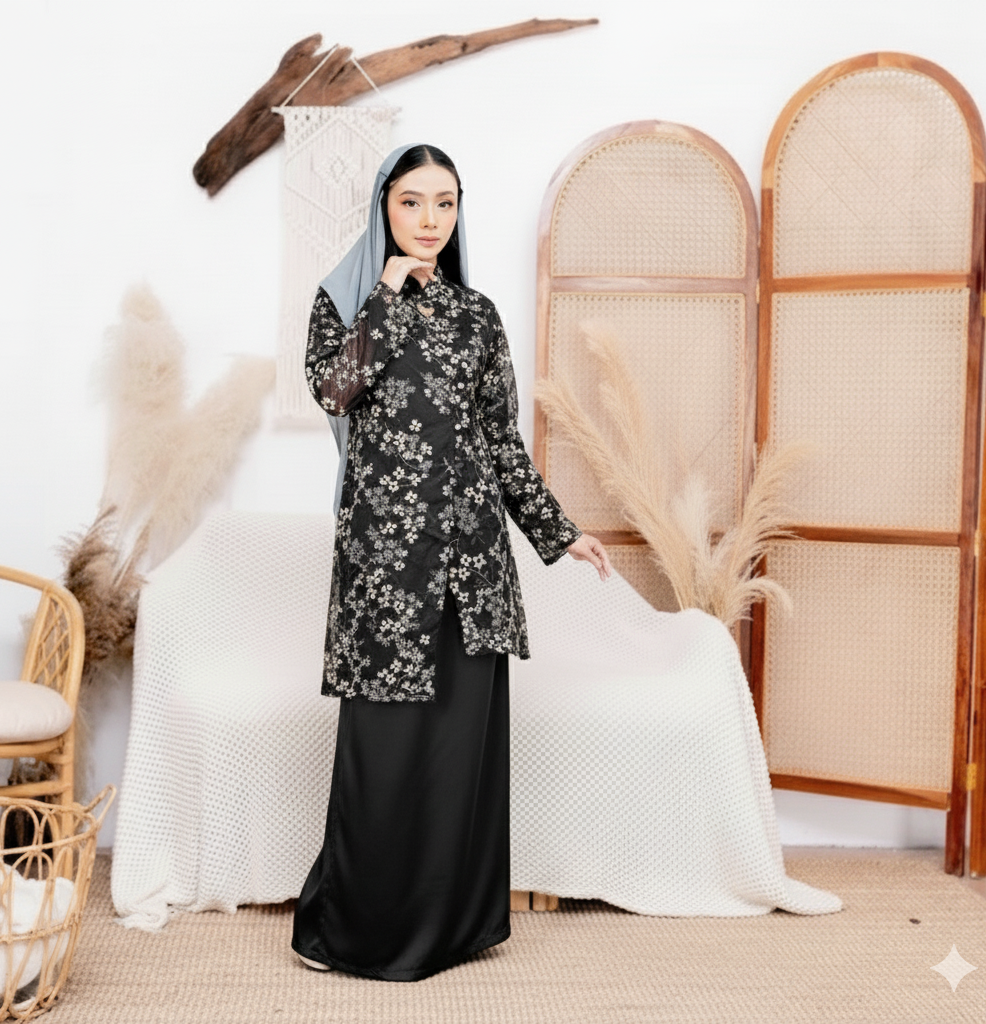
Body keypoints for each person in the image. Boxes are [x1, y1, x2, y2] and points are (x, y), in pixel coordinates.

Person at [291, 143, 610, 982]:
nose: (430, 220)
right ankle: (349, 932)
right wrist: (388, 297)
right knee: (385, 754)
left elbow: (501, 442)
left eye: (445, 203)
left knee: (456, 756)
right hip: (386, 567)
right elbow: (333, 390)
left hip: (472, 565)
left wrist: (558, 531)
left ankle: (451, 929)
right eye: (412, 202)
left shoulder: (478, 316)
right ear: (383, 207)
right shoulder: (343, 302)